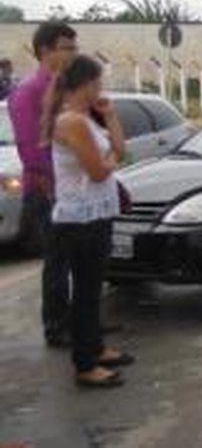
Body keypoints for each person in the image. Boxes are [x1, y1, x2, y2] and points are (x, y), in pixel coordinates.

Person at [46, 55, 134, 388]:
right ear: (85, 84)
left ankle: (96, 347)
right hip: (79, 219)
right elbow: (98, 171)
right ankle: (84, 364)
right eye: (98, 82)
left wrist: (110, 115)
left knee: (92, 288)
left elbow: (120, 151)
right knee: (85, 291)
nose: (102, 87)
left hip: (97, 213)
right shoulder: (71, 122)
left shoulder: (88, 118)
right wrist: (110, 160)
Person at [7, 22, 78, 347]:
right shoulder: (28, 93)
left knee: (80, 259)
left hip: (76, 188)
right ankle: (57, 325)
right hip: (47, 190)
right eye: (67, 47)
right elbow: (31, 150)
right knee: (58, 261)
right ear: (46, 50)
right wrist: (59, 184)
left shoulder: (68, 90)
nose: (73, 54)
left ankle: (83, 320)